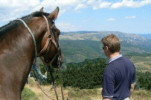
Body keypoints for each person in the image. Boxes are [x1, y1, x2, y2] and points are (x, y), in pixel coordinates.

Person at [101, 34, 136, 100]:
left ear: (107, 48)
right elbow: (132, 86)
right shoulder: (130, 63)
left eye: (103, 48)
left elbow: (107, 97)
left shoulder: (109, 69)